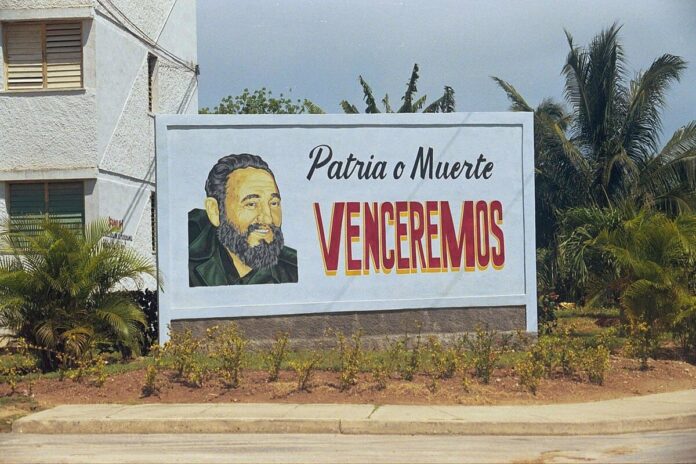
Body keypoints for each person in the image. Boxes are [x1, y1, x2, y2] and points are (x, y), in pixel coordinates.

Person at [188, 153, 298, 286]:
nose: (268, 219)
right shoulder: (183, 261)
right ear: (215, 211)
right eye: (251, 204)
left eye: (274, 203)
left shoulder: (293, 270)